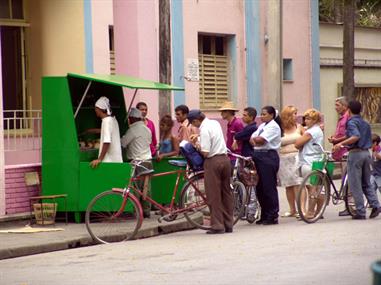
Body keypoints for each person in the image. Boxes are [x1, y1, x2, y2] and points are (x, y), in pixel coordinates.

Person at [332, 100, 381, 219]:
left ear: (348, 109)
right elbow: (355, 134)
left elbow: (355, 136)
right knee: (366, 182)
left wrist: (340, 144)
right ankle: (375, 205)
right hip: (366, 153)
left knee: (355, 183)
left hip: (355, 154)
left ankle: (360, 211)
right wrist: (338, 140)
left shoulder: (351, 122)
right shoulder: (365, 123)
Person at [188, 109, 233, 234]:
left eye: (193, 123)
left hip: (213, 162)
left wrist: (196, 143)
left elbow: (205, 152)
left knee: (214, 195)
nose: (193, 126)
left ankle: (218, 225)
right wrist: (199, 137)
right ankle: (228, 223)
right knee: (226, 193)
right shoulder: (214, 123)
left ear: (197, 120)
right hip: (225, 159)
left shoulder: (204, 129)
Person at [250, 106, 281, 225]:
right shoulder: (262, 126)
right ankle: (264, 214)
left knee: (269, 187)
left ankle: (273, 215)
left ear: (272, 115)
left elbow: (261, 140)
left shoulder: (273, 126)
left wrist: (255, 140)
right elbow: (252, 138)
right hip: (258, 155)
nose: (262, 116)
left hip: (268, 156)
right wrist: (254, 139)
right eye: (261, 114)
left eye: (264, 114)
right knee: (260, 188)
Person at [121, 108, 152, 218]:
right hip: (148, 160)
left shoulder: (133, 130)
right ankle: (146, 210)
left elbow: (123, 143)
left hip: (137, 161)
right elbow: (149, 142)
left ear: (132, 118)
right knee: (146, 187)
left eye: (129, 118)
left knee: (136, 188)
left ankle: (136, 210)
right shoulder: (147, 129)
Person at [295, 108, 324, 219]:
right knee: (315, 187)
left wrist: (299, 140)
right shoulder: (316, 130)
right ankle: (319, 210)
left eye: (308, 119)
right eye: (305, 118)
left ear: (315, 120)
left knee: (312, 188)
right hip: (315, 160)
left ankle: (311, 211)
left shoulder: (311, 132)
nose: (306, 121)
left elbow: (297, 144)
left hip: (309, 161)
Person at [278, 105, 303, 218]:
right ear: (287, 115)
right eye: (294, 113)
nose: (296, 116)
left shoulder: (299, 127)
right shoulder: (280, 129)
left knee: (298, 183)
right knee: (288, 184)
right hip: (283, 157)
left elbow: (306, 139)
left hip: (296, 156)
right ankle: (292, 209)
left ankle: (301, 209)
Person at [328, 97, 350, 217]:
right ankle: (348, 204)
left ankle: (350, 205)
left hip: (346, 151)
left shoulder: (348, 117)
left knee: (348, 180)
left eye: (337, 105)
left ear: (344, 106)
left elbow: (349, 135)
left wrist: (337, 140)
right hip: (339, 151)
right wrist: (334, 138)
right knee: (344, 178)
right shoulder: (341, 118)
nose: (335, 108)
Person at [90, 96, 123, 168]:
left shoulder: (106, 121)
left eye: (96, 108)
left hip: (109, 162)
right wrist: (89, 131)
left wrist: (99, 159)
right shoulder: (112, 119)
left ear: (100, 109)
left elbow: (107, 141)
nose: (95, 110)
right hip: (116, 161)